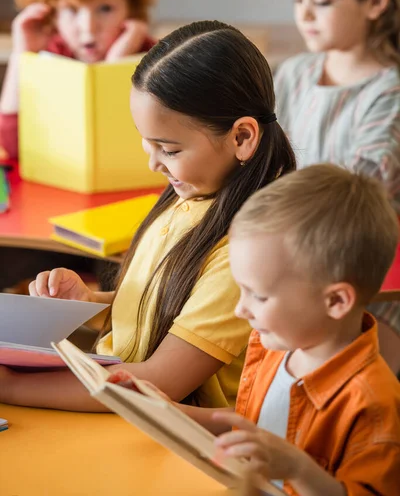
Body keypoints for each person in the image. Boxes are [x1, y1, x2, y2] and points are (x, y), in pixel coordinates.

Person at [0, 20, 296, 412]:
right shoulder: (195, 191)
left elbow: (160, 383)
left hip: (168, 432)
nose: (154, 164)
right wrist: (94, 302)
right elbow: (164, 307)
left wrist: (12, 390)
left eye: (169, 150)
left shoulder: (247, 250)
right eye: (146, 143)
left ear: (242, 137)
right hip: (120, 402)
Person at [168, 164, 400, 495]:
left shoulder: (373, 405)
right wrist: (169, 411)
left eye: (259, 295)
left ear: (335, 301)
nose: (240, 309)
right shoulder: (278, 347)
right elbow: (256, 422)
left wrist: (299, 470)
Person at [274, 0, 400, 373]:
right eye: (297, 0)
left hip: (364, 280)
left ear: (376, 1)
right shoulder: (292, 75)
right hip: (287, 260)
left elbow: (359, 201)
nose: (304, 15)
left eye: (321, 1)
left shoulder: (389, 93)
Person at [0, 0, 161, 160]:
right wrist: (21, 55)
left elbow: (145, 151)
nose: (88, 28)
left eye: (105, 8)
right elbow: (10, 146)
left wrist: (115, 69)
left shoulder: (155, 57)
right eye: (72, 10)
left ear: (131, 7)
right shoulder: (51, 55)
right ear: (51, 11)